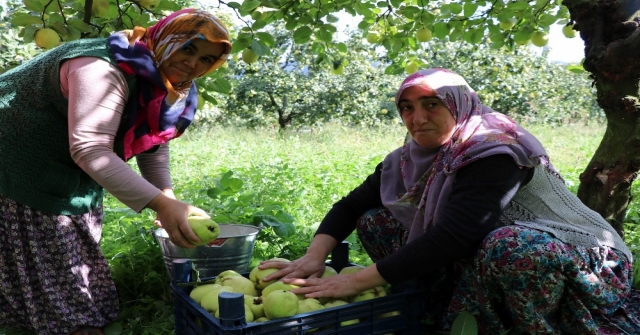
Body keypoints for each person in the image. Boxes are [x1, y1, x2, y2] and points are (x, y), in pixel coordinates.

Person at [260, 68, 640, 334]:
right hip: (490, 245)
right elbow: (350, 206)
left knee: (511, 247)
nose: (416, 117)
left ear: (458, 104)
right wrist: (313, 257)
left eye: (431, 104)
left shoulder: (495, 150)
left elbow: (458, 233)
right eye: (406, 107)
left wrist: (355, 282)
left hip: (577, 253)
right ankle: (435, 305)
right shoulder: (409, 160)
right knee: (376, 218)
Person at [0, 8, 232, 335]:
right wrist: (161, 205)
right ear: (166, 38)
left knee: (72, 237)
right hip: (15, 154)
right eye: (188, 48)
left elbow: (153, 141)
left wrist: (165, 195)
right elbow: (90, 148)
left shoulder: (171, 87)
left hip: (63, 159)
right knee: (46, 251)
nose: (194, 63)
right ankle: (71, 324)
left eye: (207, 59)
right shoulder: (102, 69)